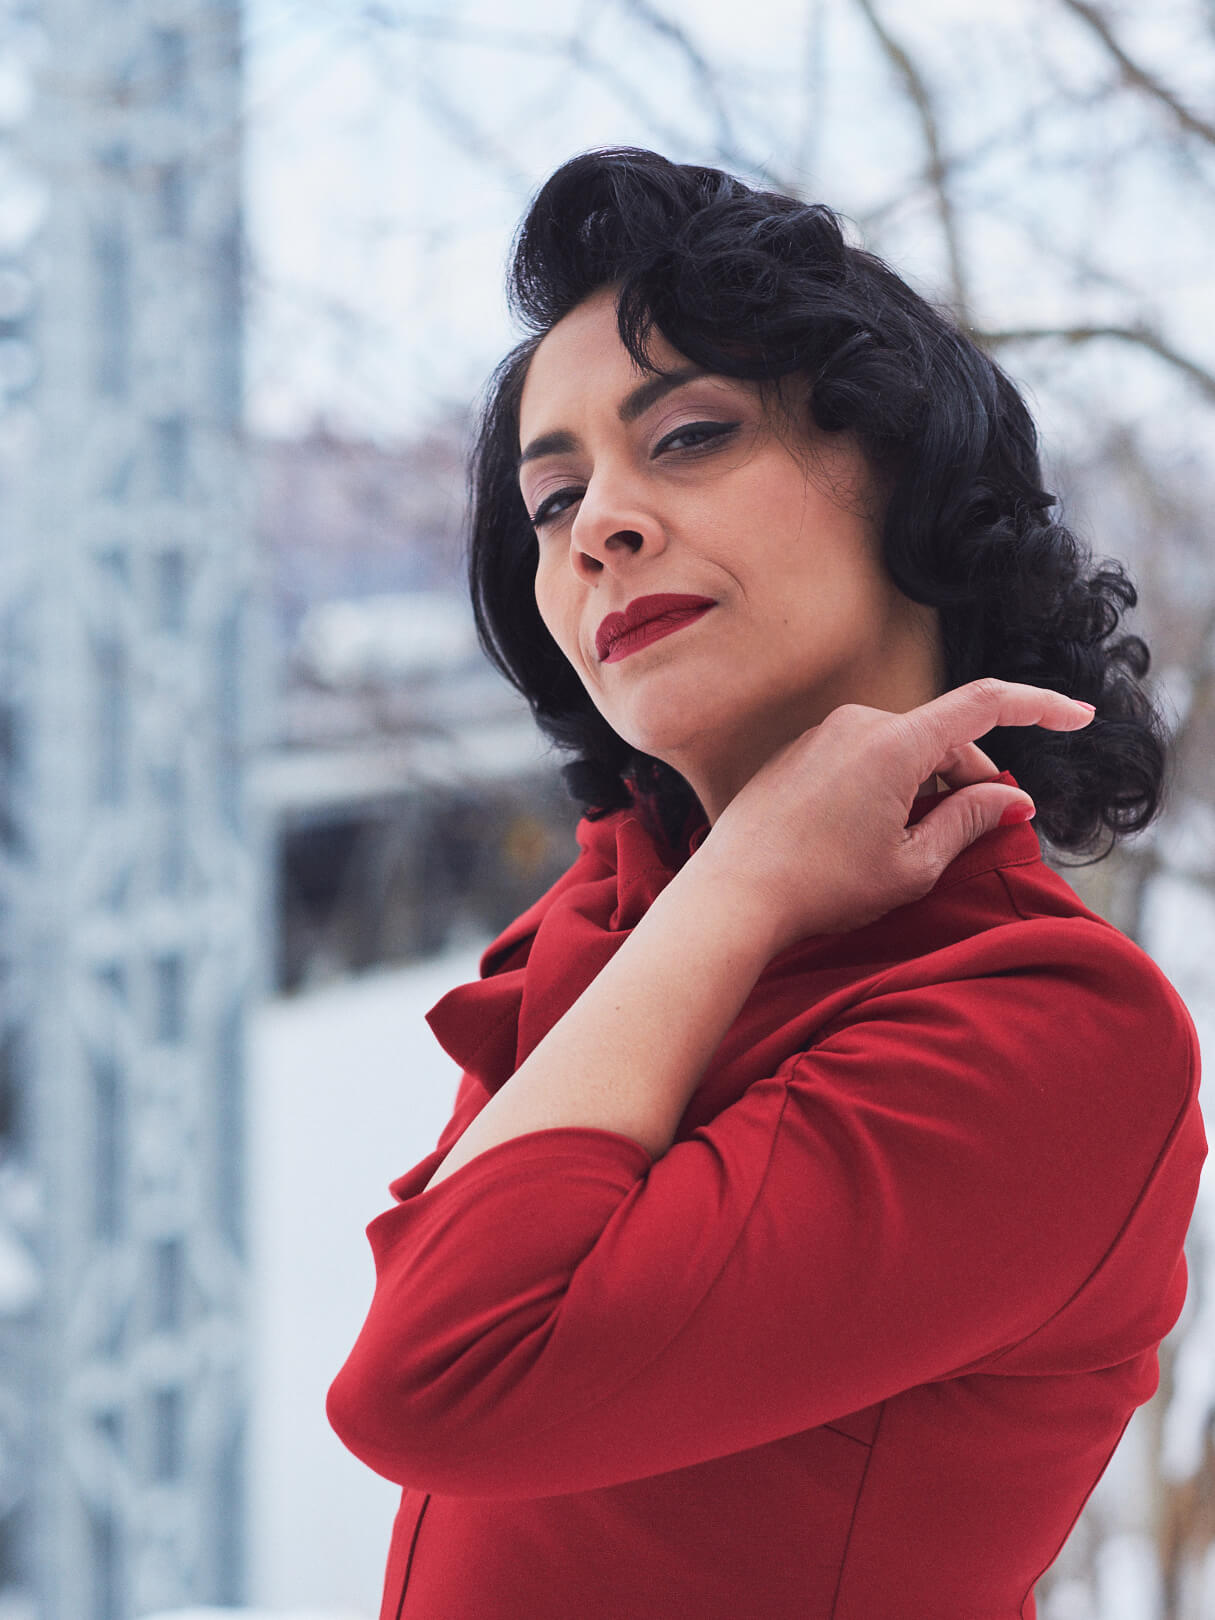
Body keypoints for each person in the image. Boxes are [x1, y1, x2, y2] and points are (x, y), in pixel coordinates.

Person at [326, 148, 1207, 1619]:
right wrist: (729, 889)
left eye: (685, 436)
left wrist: (741, 890)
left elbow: (438, 1373)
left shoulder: (1054, 1029)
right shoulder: (624, 932)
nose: (596, 522)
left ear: (905, 466)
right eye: (551, 500)